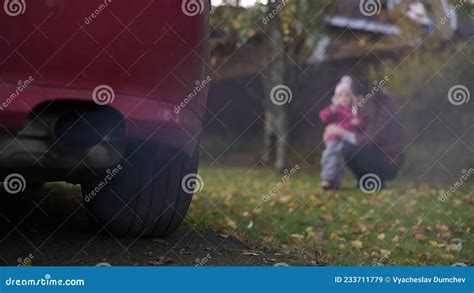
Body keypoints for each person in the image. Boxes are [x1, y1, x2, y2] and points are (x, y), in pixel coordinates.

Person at [323, 80, 404, 189]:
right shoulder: (372, 107)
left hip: (388, 162)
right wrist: (332, 134)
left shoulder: (382, 111)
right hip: (380, 156)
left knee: (347, 149)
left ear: (362, 96)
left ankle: (373, 180)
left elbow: (368, 140)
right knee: (346, 147)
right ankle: (366, 181)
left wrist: (341, 133)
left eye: (355, 98)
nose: (355, 102)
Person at [319, 76, 366, 190]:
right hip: (334, 138)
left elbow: (362, 121)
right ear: (336, 98)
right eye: (341, 95)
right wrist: (330, 111)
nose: (344, 98)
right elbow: (323, 116)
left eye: (347, 95)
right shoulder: (336, 109)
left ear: (351, 97)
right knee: (330, 154)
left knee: (340, 160)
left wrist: (358, 122)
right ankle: (328, 177)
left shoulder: (354, 110)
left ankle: (335, 183)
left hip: (346, 139)